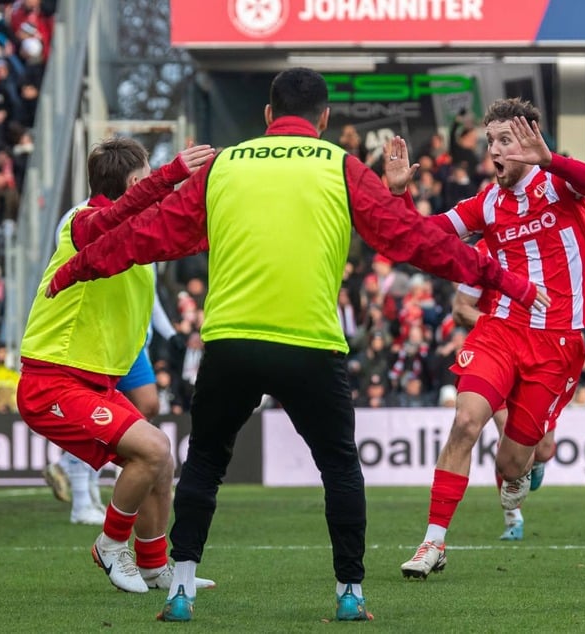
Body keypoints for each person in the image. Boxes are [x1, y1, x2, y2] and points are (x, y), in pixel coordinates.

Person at [42, 67, 545, 623]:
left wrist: (77, 270)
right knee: (340, 469)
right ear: (325, 119)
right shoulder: (341, 166)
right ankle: (350, 593)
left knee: (205, 462)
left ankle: (179, 589)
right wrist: (507, 280)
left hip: (231, 342)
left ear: (266, 116)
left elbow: (148, 235)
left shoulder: (225, 165)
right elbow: (414, 241)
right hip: (310, 344)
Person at [384, 98, 585, 578]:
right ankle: (432, 543)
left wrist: (549, 158)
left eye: (506, 140)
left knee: (516, 458)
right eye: (491, 142)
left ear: (530, 141)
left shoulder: (559, 183)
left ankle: (528, 463)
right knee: (465, 423)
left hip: (558, 340)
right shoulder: (485, 203)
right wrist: (400, 195)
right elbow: (419, 238)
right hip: (500, 329)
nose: (496, 151)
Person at [17, 138, 217, 595]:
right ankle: (110, 544)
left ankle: (152, 565)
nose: (156, 179)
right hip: (54, 379)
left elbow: (183, 233)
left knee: (160, 459)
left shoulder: (136, 227)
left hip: (96, 379)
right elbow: (110, 220)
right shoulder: (79, 221)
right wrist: (171, 176)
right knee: (151, 449)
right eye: (149, 174)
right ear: (134, 182)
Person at [44, 201, 187, 526]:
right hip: (101, 336)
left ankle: (72, 467)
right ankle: (84, 499)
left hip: (135, 340)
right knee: (96, 414)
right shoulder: (79, 217)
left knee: (147, 405)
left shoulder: (144, 216)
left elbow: (145, 287)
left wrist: (167, 332)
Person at [450, 238, 558, 542]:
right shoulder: (483, 254)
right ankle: (513, 517)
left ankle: (536, 460)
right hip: (496, 357)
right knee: (505, 432)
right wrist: (500, 325)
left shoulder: (544, 247)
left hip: (539, 357)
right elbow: (461, 310)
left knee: (543, 447)